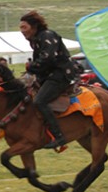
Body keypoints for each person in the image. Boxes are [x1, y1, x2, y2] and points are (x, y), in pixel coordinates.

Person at [19, 11, 78, 149]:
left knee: (39, 101)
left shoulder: (47, 36)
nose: (22, 31)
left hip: (60, 74)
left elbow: (47, 58)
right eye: (20, 28)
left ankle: (59, 136)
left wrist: (31, 66)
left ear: (34, 26)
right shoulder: (36, 40)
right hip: (48, 76)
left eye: (24, 27)